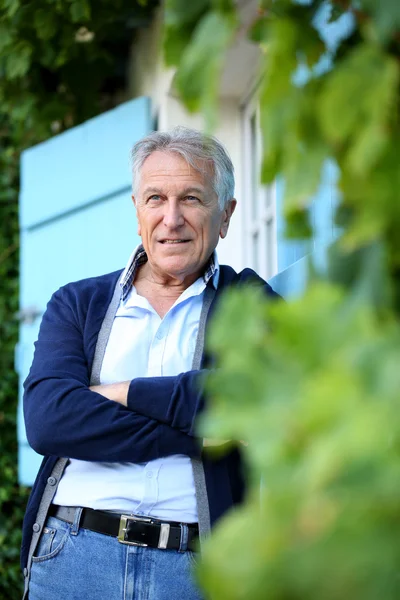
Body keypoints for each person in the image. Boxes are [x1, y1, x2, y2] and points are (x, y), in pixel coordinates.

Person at [21, 126, 279, 599]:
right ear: (137, 212)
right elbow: (49, 421)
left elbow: (250, 396)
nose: (172, 218)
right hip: (74, 556)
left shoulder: (249, 302)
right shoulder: (79, 303)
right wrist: (195, 437)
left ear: (226, 215)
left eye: (193, 199)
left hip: (197, 568)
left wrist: (122, 393)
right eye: (156, 198)